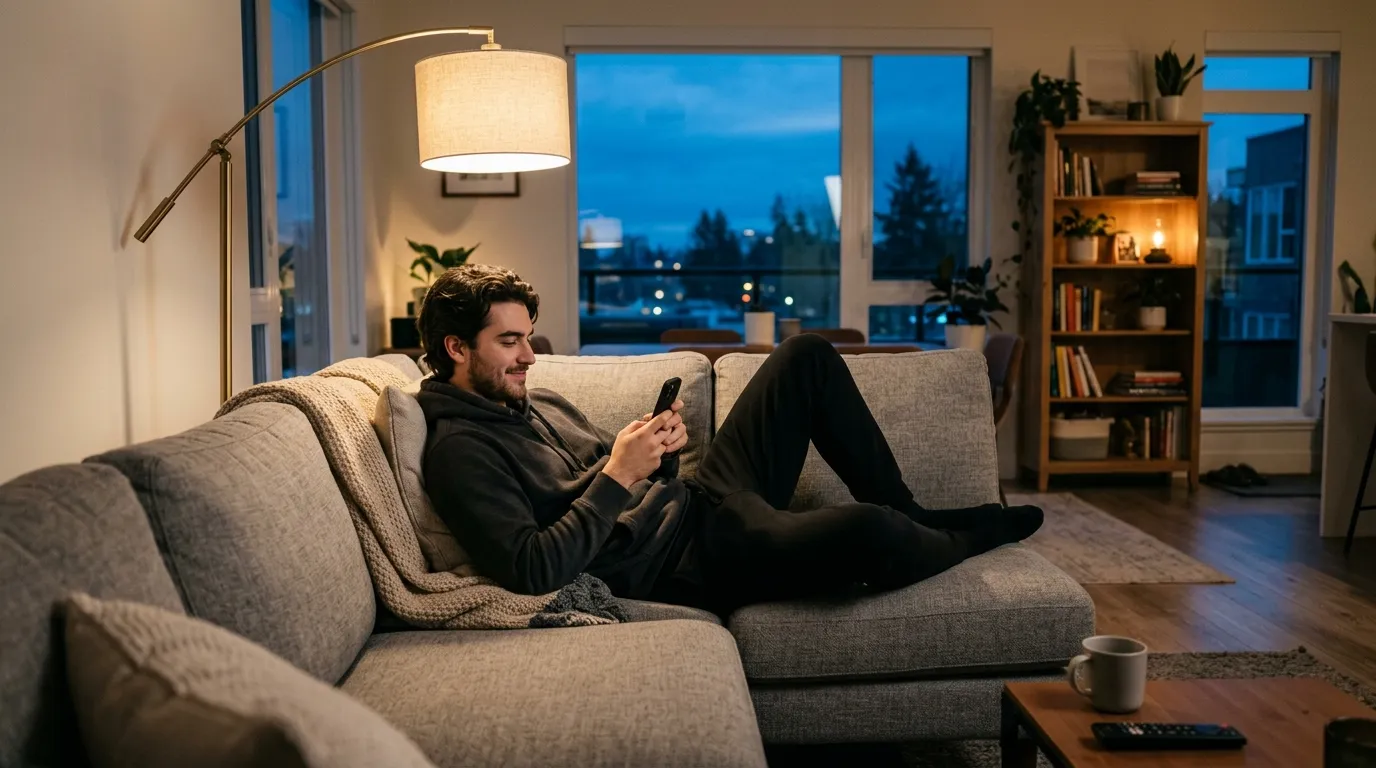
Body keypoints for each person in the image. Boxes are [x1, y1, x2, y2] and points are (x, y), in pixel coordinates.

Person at [416, 264, 1043, 614]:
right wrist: (618, 474)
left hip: (699, 502)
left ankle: (912, 512)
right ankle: (966, 538)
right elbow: (532, 569)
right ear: (456, 348)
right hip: (691, 563)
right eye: (510, 342)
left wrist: (656, 450)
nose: (529, 356)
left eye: (529, 337)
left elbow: (625, 475)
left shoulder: (536, 401)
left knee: (805, 355)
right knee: (867, 530)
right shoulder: (460, 452)